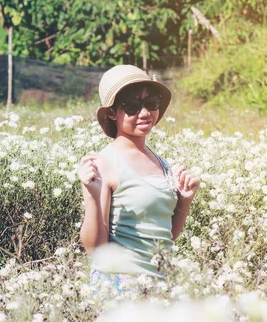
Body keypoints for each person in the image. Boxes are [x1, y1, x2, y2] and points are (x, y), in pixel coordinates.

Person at [78, 65, 200, 291]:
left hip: (158, 287)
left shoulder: (160, 162)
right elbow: (96, 249)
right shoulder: (104, 164)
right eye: (133, 106)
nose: (144, 113)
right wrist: (93, 197)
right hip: (121, 289)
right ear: (112, 113)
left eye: (151, 103)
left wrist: (185, 200)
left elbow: (165, 236)